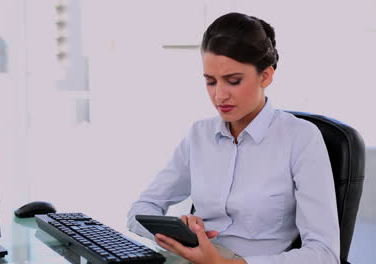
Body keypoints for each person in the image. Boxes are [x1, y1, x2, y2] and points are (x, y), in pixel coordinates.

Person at [127, 12, 340, 264]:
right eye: (210, 82)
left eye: (234, 81)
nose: (219, 96)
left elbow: (324, 254)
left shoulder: (301, 139)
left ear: (266, 76)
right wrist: (177, 227)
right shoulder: (199, 135)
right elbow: (140, 211)